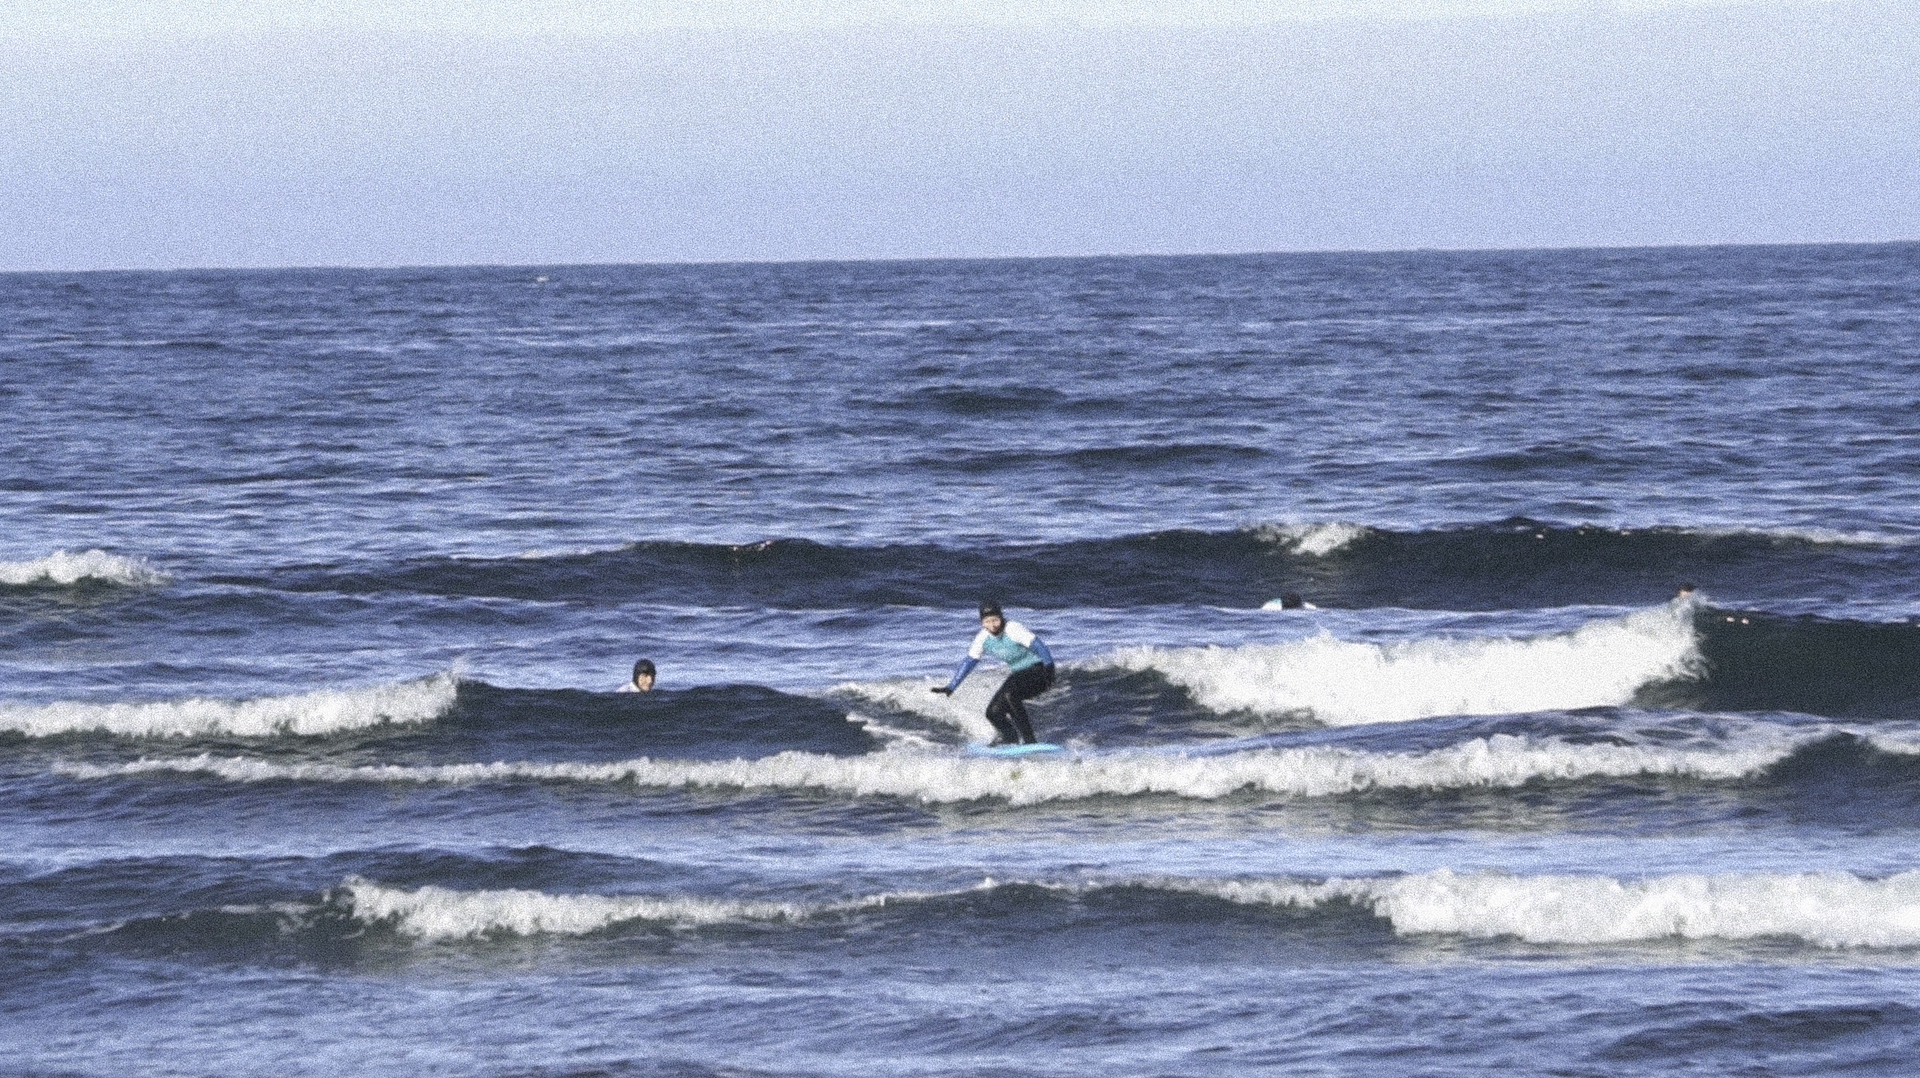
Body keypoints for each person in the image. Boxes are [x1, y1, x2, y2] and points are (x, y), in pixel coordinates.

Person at [931, 602, 1056, 745]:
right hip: (1018, 674)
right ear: (982, 622)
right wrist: (951, 686)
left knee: (1010, 695)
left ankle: (1030, 741)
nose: (992, 625)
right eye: (987, 622)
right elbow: (970, 661)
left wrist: (1049, 669)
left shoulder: (1013, 629)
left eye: (995, 620)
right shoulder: (983, 638)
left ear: (1001, 618)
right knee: (993, 713)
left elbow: (1038, 646)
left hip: (1038, 670)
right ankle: (1010, 739)